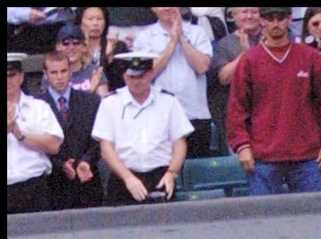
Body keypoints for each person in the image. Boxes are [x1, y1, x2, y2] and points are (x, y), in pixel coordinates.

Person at [226, 4, 321, 194]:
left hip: (307, 156)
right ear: (262, 20)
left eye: (280, 18)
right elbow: (237, 109)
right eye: (270, 18)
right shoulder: (249, 60)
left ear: (289, 19)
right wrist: (241, 146)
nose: (275, 23)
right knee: (264, 221)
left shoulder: (311, 58)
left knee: (314, 220)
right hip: (263, 158)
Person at [92, 51, 192, 204]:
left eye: (141, 76)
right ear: (124, 76)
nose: (136, 81)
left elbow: (179, 142)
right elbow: (106, 148)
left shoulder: (168, 101)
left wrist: (171, 173)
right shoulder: (110, 103)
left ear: (151, 73)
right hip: (123, 177)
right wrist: (127, 177)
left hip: (161, 177)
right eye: (132, 77)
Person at [130, 4, 215, 156]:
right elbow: (146, 74)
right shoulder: (145, 36)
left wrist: (181, 38)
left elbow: (202, 67)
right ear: (153, 9)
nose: (167, 8)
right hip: (158, 117)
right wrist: (172, 43)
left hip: (195, 114)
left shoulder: (197, 32)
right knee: (165, 173)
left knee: (196, 171)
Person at [37, 43, 104, 208]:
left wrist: (87, 161)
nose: (59, 77)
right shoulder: (36, 105)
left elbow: (99, 138)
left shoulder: (91, 101)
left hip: (88, 180)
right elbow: (36, 144)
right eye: (54, 72)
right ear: (45, 74)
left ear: (70, 72)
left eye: (63, 71)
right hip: (53, 184)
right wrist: (59, 165)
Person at [7, 50, 65, 214]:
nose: (7, 80)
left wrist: (19, 133)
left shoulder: (39, 108)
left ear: (21, 77)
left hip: (33, 188)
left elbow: (54, 146)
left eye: (11, 75)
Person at [210, 4, 262, 140]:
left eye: (254, 12)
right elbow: (224, 78)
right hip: (238, 116)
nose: (249, 16)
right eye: (244, 12)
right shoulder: (224, 44)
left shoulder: (272, 39)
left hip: (268, 112)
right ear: (234, 16)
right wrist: (245, 54)